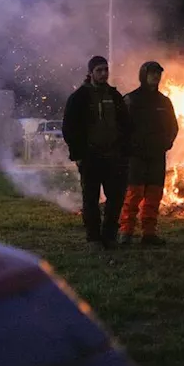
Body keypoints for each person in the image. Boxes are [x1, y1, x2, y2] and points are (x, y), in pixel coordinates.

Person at [63, 55, 132, 249]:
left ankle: (109, 235)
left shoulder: (114, 96)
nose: (103, 74)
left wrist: (124, 151)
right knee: (91, 199)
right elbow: (69, 128)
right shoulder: (79, 97)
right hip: (90, 157)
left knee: (116, 198)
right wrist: (77, 155)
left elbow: (126, 125)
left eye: (105, 70)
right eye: (99, 70)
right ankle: (93, 238)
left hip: (114, 157)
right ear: (91, 73)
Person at [119, 61, 179, 246]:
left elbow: (173, 126)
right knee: (133, 195)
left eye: (158, 73)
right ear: (143, 75)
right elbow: (121, 126)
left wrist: (167, 143)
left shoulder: (164, 101)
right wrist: (129, 147)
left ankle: (149, 234)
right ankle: (126, 232)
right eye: (152, 73)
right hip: (136, 155)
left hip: (156, 154)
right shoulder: (131, 99)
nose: (156, 76)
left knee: (154, 195)